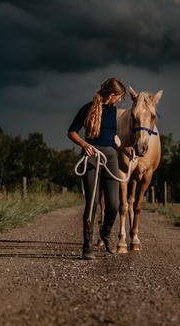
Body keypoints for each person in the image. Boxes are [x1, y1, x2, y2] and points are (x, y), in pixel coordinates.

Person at [67, 77, 125, 260]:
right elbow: (72, 131)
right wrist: (84, 145)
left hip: (110, 157)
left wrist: (119, 143)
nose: (120, 100)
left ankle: (106, 234)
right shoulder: (88, 108)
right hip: (91, 156)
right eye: (120, 97)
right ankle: (87, 246)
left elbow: (110, 134)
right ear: (113, 95)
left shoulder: (113, 110)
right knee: (91, 203)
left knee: (114, 204)